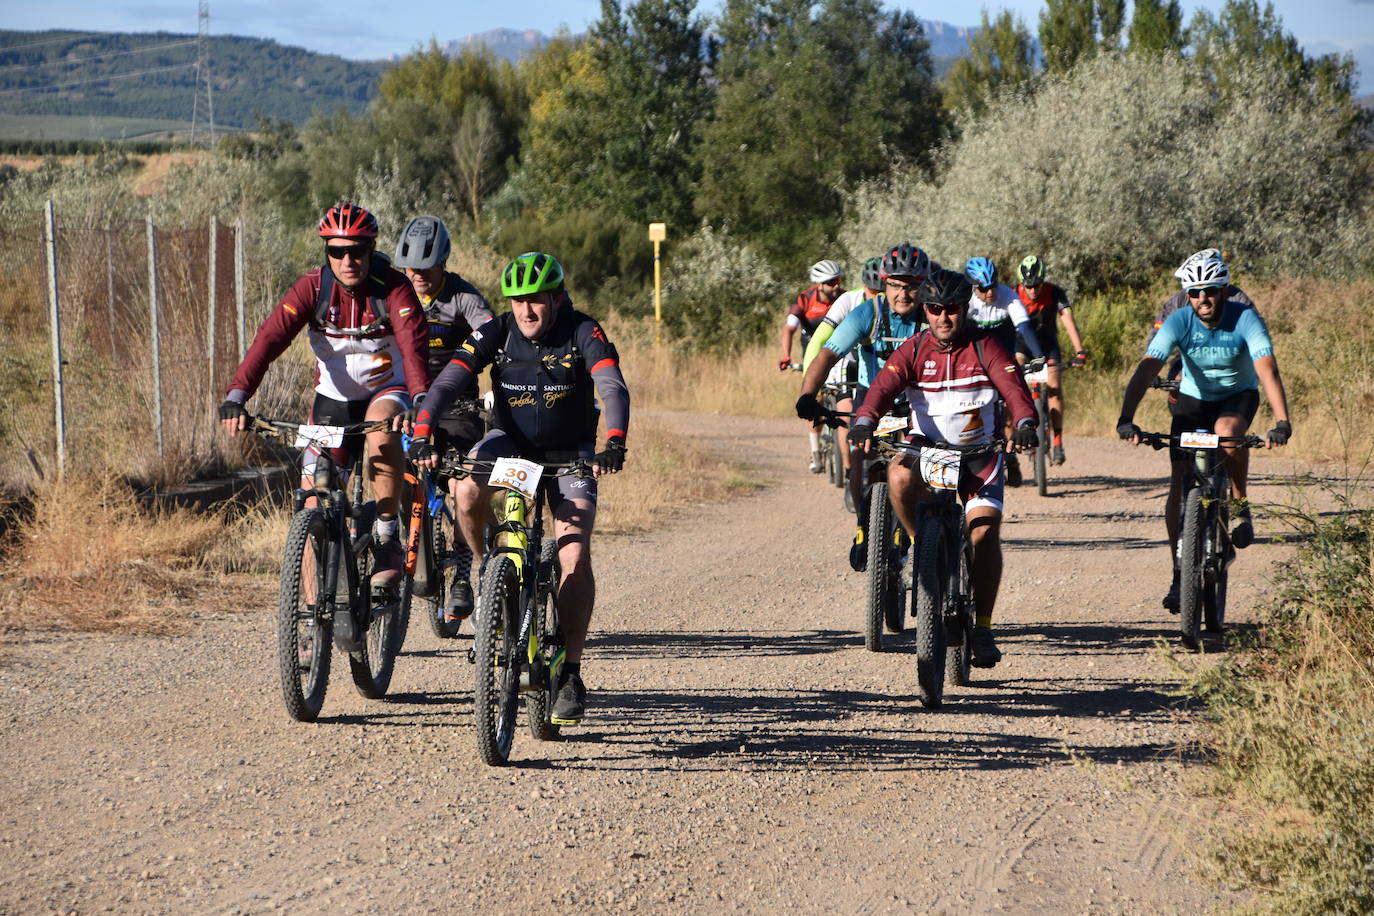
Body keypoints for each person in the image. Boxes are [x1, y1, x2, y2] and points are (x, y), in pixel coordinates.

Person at [408, 251, 629, 726]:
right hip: (510, 445)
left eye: (536, 301)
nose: (526, 311)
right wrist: (424, 428)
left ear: (557, 297)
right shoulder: (498, 330)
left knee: (572, 554)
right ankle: (490, 572)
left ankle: (570, 672)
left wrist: (613, 441)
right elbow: (449, 381)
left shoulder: (582, 331)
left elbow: (611, 386)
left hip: (571, 452)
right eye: (518, 301)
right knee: (465, 489)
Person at [219, 202, 429, 606]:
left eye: (357, 251)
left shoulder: (394, 288)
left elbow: (414, 347)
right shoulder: (312, 288)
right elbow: (268, 341)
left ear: (372, 249)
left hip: (388, 391)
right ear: (326, 252)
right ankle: (312, 620)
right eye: (337, 251)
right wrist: (236, 396)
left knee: (382, 427)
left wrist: (420, 400)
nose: (347, 260)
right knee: (312, 501)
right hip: (332, 401)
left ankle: (386, 535)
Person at [846, 268, 1038, 668]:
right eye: (935, 309)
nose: (944, 318)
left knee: (984, 534)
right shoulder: (914, 349)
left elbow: (1015, 392)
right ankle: (924, 547)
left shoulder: (987, 347)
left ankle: (983, 628)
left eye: (952, 309)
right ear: (925, 310)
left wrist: (1024, 424)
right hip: (928, 452)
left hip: (979, 454)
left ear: (964, 309)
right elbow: (882, 388)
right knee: (897, 472)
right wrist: (865, 420)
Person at [1116, 253, 1291, 611]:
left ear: (1224, 290)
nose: (1203, 300)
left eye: (1210, 291)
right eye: (1195, 293)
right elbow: (1148, 367)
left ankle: (1240, 504)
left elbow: (1267, 369)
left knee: (1228, 432)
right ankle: (1180, 574)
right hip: (1193, 401)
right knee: (1179, 484)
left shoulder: (1244, 318)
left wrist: (1282, 421)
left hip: (1236, 396)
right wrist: (1125, 418)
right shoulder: (1179, 319)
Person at [797, 243, 931, 571]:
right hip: (873, 400)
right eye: (896, 285)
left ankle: (927, 536)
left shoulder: (932, 314)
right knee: (861, 457)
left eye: (912, 286)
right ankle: (862, 526)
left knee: (922, 472)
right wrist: (807, 394)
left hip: (921, 402)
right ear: (883, 285)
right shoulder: (868, 314)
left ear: (924, 286)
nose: (904, 294)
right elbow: (828, 354)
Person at [393, 214, 495, 623]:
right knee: (394, 479)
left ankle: (464, 575)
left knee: (462, 487)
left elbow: (489, 331)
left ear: (443, 262)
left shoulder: (462, 298)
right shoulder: (396, 296)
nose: (416, 274)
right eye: (410, 268)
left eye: (425, 267)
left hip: (456, 406)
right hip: (407, 405)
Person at [800, 256, 885, 487]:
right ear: (864, 286)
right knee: (846, 412)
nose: (877, 297)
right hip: (847, 361)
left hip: (883, 370)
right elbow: (819, 340)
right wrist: (808, 383)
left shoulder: (898, 305)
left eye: (882, 290)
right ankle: (850, 472)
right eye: (872, 291)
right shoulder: (849, 300)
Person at [965, 257, 1044, 486]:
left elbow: (1024, 327)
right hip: (977, 360)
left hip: (1003, 358)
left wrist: (1038, 356)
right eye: (983, 288)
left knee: (1011, 407)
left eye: (992, 286)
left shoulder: (1007, 295)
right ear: (973, 287)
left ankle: (1011, 458)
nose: (990, 293)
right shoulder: (967, 301)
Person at [1014, 255, 1088, 466]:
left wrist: (1079, 351)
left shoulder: (1055, 292)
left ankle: (1057, 441)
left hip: (1048, 346)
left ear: (1043, 281)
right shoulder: (1013, 294)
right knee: (1013, 382)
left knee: (1054, 388)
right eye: (1028, 286)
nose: (1033, 290)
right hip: (1022, 347)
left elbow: (1069, 322)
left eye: (1037, 285)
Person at [779, 259, 847, 472]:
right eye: (830, 282)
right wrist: (786, 356)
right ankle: (816, 451)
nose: (836, 286)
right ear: (819, 284)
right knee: (815, 398)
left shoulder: (845, 298)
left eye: (838, 280)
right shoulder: (804, 300)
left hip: (839, 352)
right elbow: (789, 329)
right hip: (813, 351)